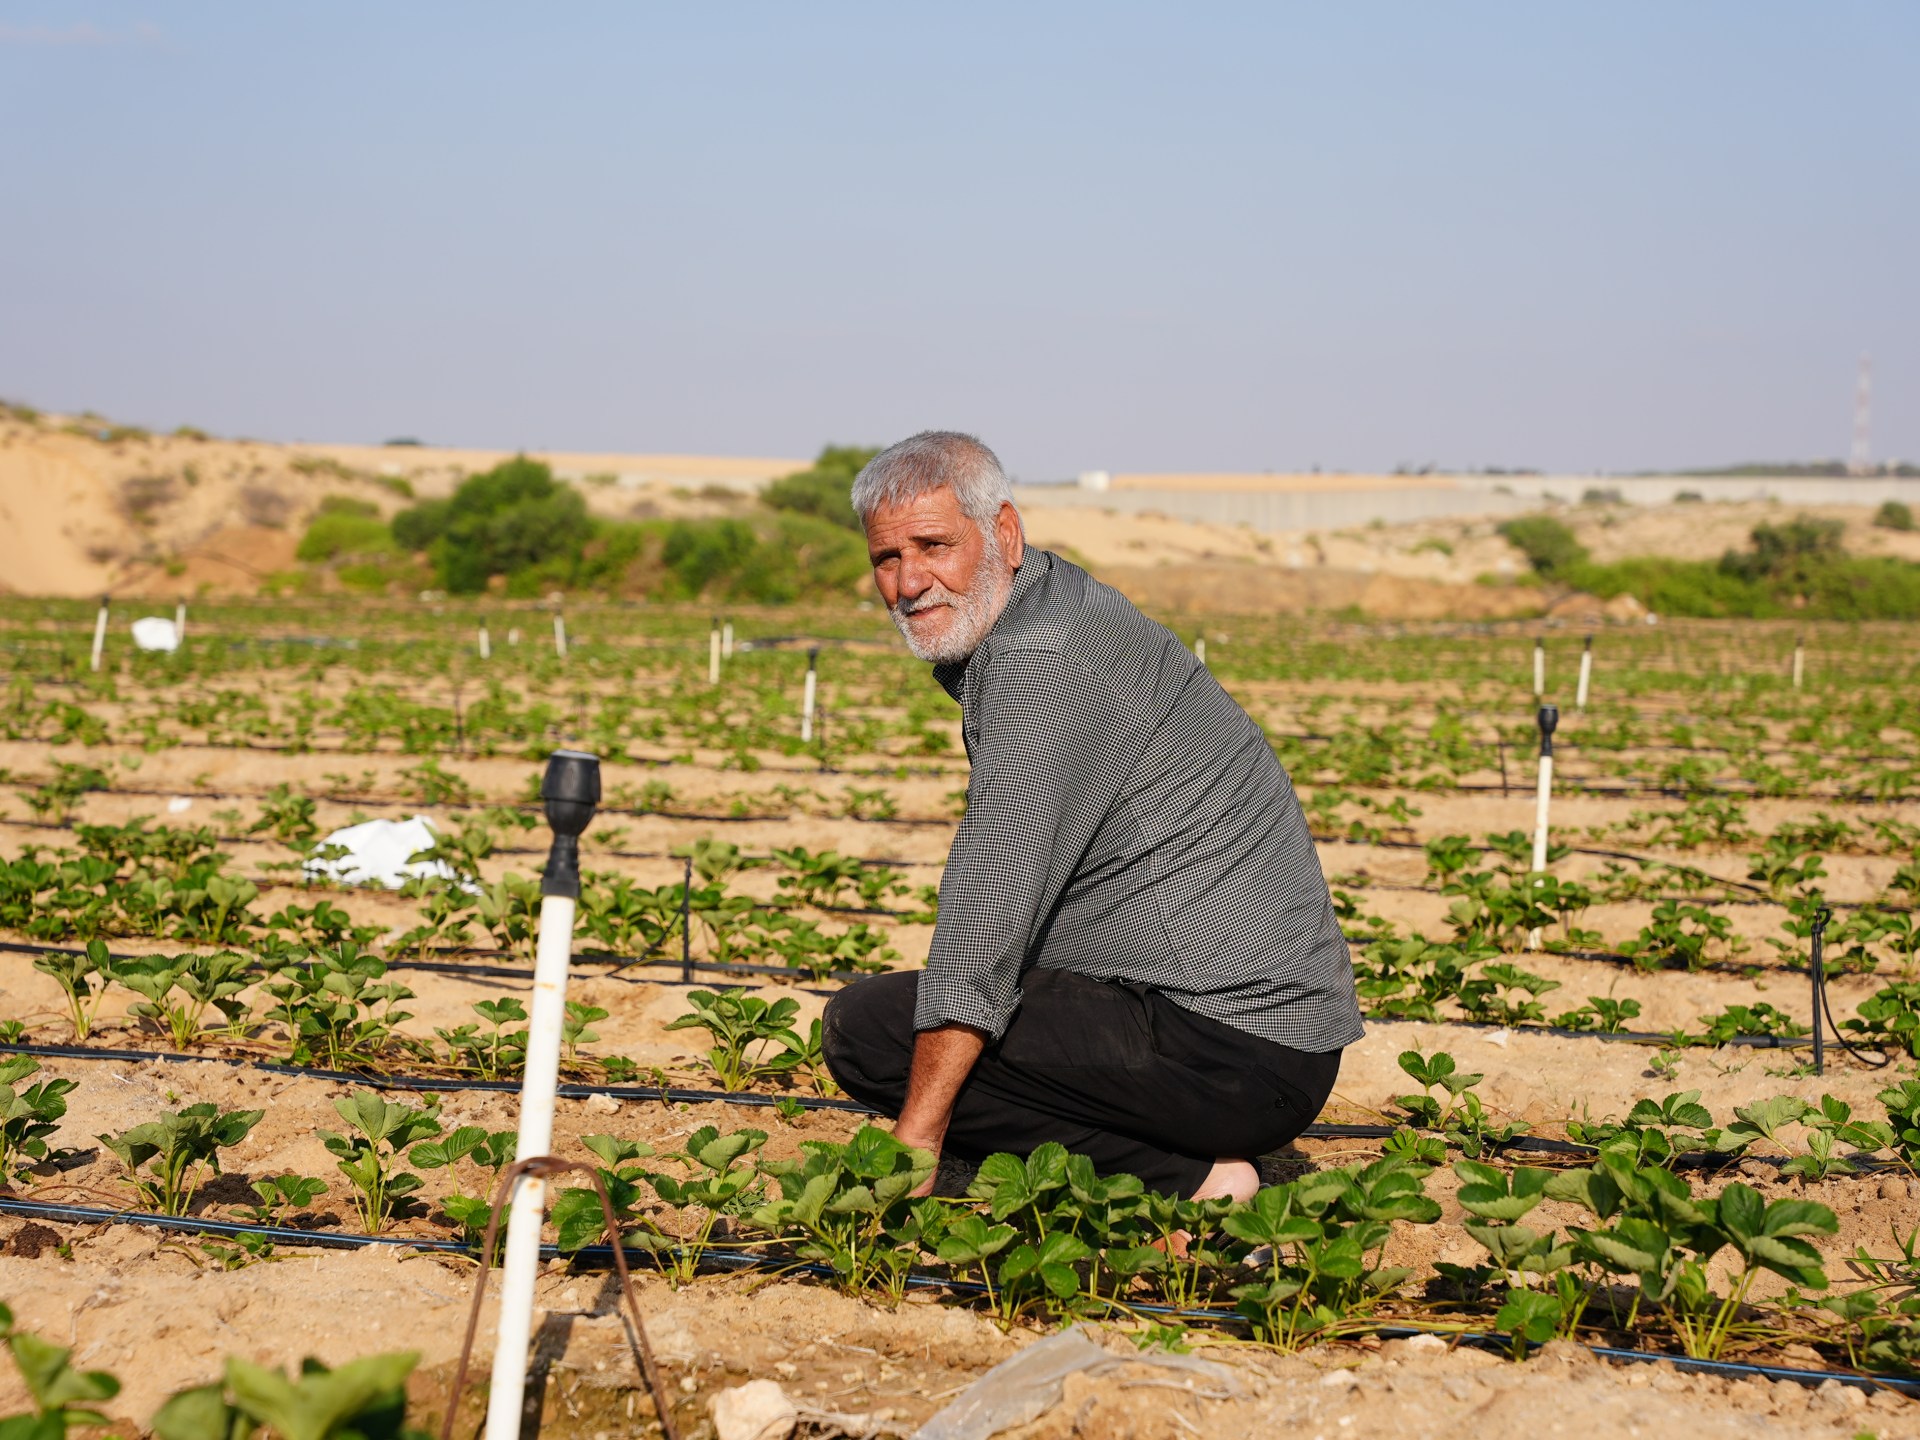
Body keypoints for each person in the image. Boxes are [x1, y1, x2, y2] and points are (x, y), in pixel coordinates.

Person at [820, 431, 1363, 1201]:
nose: (910, 582)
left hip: (1233, 1051)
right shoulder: (1052, 604)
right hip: (1251, 1031)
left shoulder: (1040, 661)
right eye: (886, 558)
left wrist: (919, 1133)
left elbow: (988, 914)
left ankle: (1193, 1180)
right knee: (947, 1016)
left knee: (869, 1031)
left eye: (934, 546)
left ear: (1003, 534)